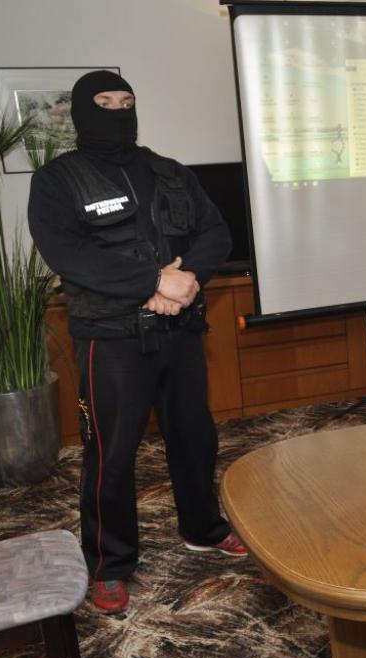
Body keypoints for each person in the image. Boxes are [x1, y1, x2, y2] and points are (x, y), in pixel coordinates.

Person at [27, 71, 245, 615]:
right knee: (111, 453)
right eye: (104, 103)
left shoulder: (170, 171)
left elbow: (215, 232)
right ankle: (109, 563)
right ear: (82, 112)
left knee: (195, 437)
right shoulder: (57, 180)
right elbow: (69, 254)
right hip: (111, 341)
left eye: (126, 102)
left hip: (180, 332)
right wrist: (154, 281)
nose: (117, 111)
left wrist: (186, 281)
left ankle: (202, 527)